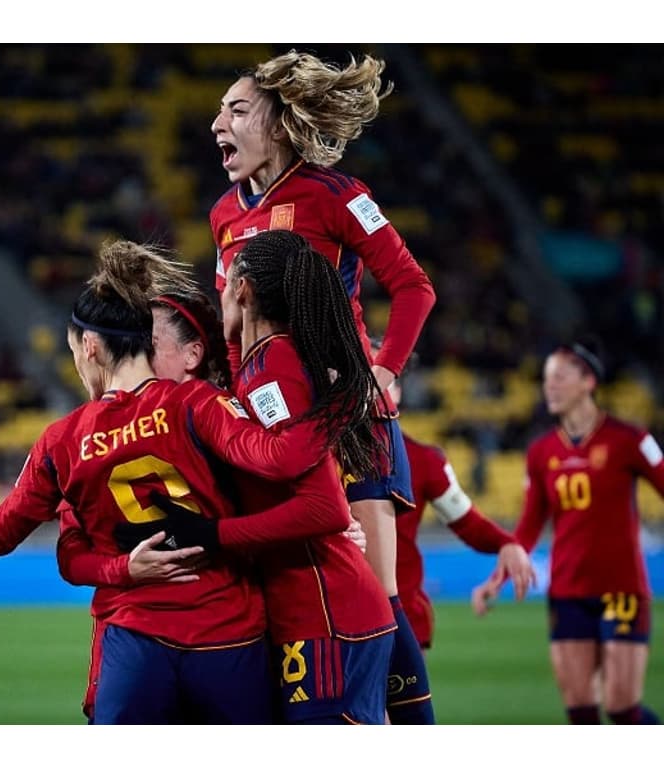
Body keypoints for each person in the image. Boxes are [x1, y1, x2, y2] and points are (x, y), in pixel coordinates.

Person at [0, 240, 352, 724]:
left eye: (75, 350)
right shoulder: (198, 403)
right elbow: (273, 461)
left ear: (91, 347)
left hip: (135, 644)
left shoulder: (63, 439)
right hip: (228, 634)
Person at [209, 49, 437, 723]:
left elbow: (413, 287)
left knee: (376, 594)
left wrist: (385, 372)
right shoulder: (224, 214)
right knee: (292, 593)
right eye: (219, 108)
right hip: (275, 427)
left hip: (346, 418)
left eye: (237, 109)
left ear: (279, 125)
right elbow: (229, 328)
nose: (217, 121)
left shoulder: (339, 194)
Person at [472, 340, 663, 725]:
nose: (550, 387)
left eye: (560, 376)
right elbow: (528, 524)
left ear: (588, 381)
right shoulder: (541, 451)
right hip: (568, 591)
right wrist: (499, 576)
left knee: (622, 707)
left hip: (621, 588)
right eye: (546, 379)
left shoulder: (631, 440)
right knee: (580, 713)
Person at [385, 359, 535, 654]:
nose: (373, 386)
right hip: (339, 619)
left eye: (384, 377)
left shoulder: (425, 460)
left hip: (403, 619)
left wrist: (506, 543)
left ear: (399, 392)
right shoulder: (322, 455)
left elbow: (466, 521)